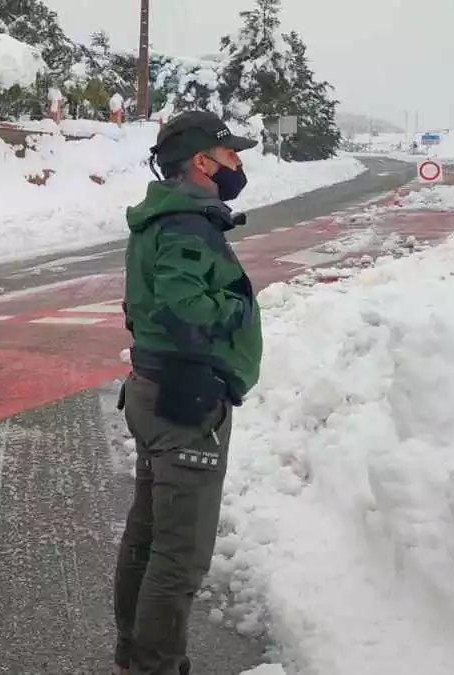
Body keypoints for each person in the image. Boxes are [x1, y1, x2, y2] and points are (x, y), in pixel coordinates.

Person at [111, 110, 264, 675]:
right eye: (230, 155)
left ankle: (135, 656)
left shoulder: (166, 217)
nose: (238, 164)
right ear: (202, 161)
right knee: (179, 557)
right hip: (184, 406)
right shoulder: (186, 223)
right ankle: (155, 666)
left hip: (158, 392)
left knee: (150, 538)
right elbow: (183, 303)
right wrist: (238, 307)